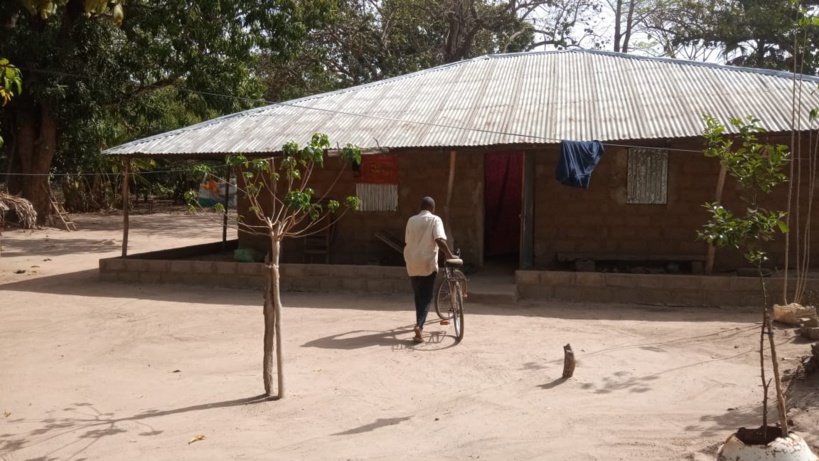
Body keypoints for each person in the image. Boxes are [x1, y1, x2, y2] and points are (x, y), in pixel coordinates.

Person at [404, 196, 455, 343]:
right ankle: (419, 326)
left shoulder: (411, 220)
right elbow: (439, 239)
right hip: (427, 262)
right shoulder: (435, 220)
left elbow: (408, 241)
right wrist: (450, 255)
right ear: (433, 208)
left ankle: (419, 321)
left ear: (421, 207)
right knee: (426, 297)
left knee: (418, 294)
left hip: (412, 261)